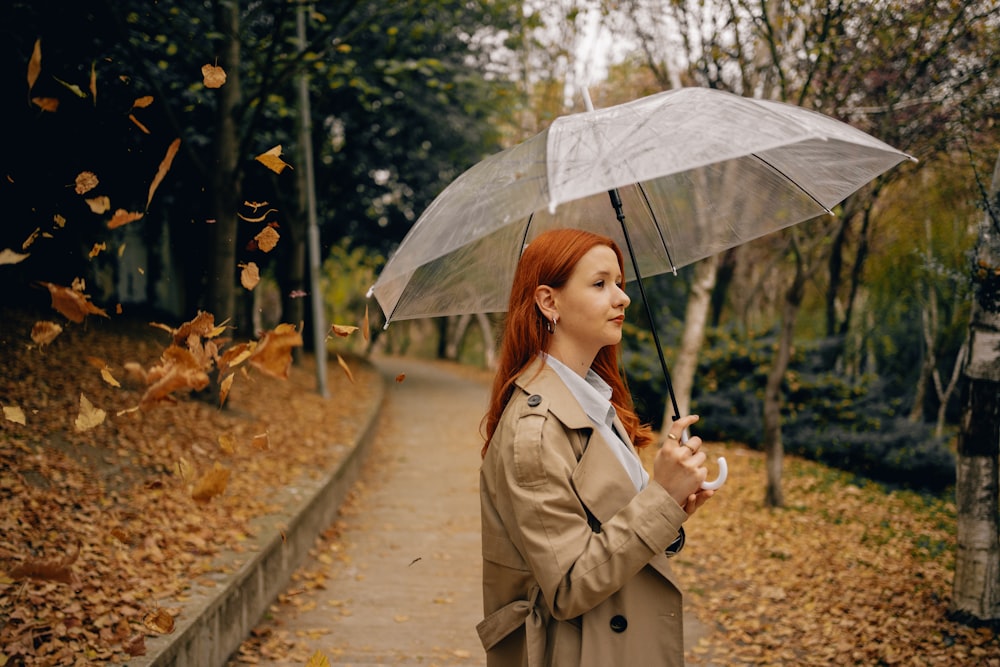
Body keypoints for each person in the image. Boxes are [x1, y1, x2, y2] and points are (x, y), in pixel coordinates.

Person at [477, 228, 715, 667]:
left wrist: (674, 505)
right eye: (600, 284)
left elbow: (610, 530)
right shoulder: (535, 431)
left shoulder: (592, 402)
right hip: (576, 651)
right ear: (549, 302)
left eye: (620, 283)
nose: (622, 298)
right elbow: (568, 585)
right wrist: (660, 499)